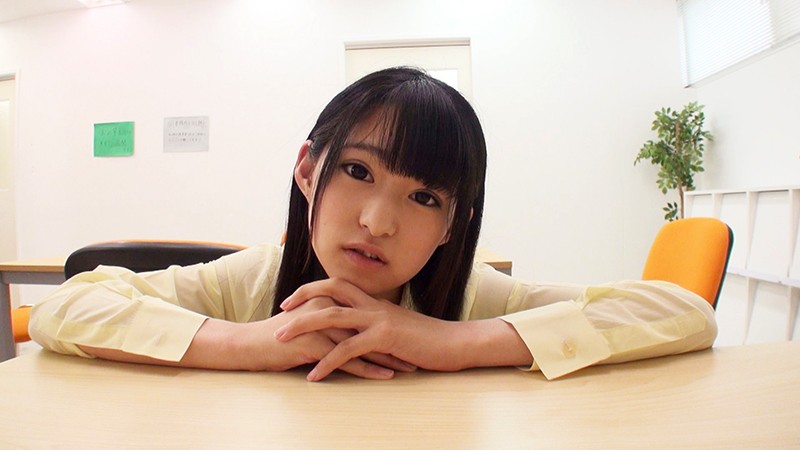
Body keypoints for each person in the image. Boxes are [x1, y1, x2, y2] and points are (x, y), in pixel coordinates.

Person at [29, 67, 716, 381]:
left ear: (453, 226)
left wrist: (451, 341)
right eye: (358, 171)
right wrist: (251, 343)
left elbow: (684, 313)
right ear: (307, 170)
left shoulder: (473, 297)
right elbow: (66, 307)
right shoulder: (252, 283)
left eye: (425, 198)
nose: (378, 221)